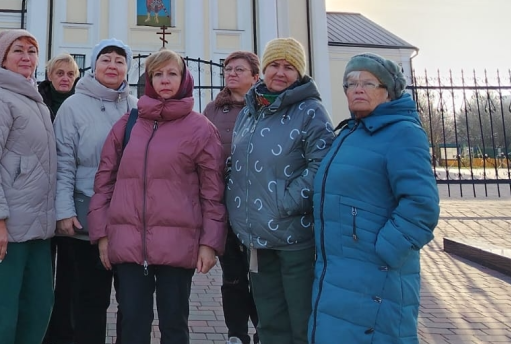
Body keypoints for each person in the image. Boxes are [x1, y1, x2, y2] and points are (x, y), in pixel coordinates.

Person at [90, 49, 226, 344]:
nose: (165, 80)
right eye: (158, 74)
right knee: (132, 324)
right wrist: (102, 234)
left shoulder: (201, 129)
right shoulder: (128, 124)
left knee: (174, 325)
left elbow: (212, 192)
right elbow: (105, 182)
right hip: (129, 243)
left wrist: (209, 244)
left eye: (172, 74)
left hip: (178, 245)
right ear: (149, 80)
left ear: (184, 79)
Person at [309, 54, 439, 344]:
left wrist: (385, 251)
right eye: (351, 83)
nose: (357, 88)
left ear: (388, 91)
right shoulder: (349, 133)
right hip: (337, 270)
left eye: (368, 82)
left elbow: (422, 205)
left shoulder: (402, 134)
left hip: (375, 274)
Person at [226, 38, 334, 344]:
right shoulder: (252, 108)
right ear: (264, 70)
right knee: (269, 320)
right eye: (274, 65)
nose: (280, 73)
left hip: (293, 236)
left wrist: (286, 202)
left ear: (299, 73)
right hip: (256, 236)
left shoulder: (310, 111)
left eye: (289, 67)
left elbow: (321, 165)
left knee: (301, 319)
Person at [0, 29, 58, 344]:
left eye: (32, 51)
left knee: (36, 310)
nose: (27, 57)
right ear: (3, 57)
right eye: (18, 50)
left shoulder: (31, 98)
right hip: (3, 229)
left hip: (34, 227)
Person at [54, 40, 136, 344]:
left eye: (119, 60)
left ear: (127, 68)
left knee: (131, 301)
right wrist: (64, 210)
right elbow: (63, 162)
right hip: (85, 216)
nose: (112, 66)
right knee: (90, 299)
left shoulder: (136, 107)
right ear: (94, 65)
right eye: (106, 60)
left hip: (128, 217)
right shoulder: (73, 106)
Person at [203, 51, 261, 344]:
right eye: (228, 68)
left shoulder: (266, 109)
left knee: (260, 275)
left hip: (259, 208)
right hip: (224, 205)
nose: (232, 73)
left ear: (255, 77)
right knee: (233, 276)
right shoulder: (213, 110)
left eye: (240, 69)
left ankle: (264, 328)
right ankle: (236, 334)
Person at [39, 53, 80, 344]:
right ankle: (41, 329)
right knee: (42, 273)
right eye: (59, 73)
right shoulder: (37, 101)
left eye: (70, 74)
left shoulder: (80, 105)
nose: (65, 78)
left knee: (69, 272)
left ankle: (63, 332)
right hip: (39, 197)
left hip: (70, 199)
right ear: (50, 76)